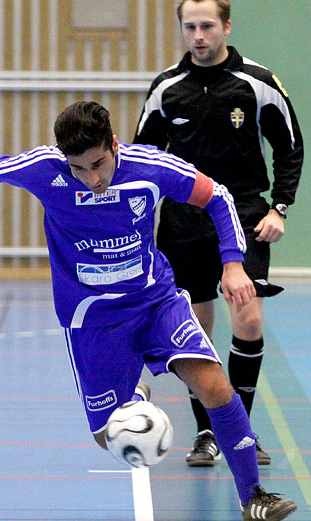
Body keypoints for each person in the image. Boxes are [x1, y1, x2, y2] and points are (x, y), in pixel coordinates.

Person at [0, 100, 297, 521]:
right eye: (79, 169)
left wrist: (232, 262)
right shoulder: (44, 169)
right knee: (107, 437)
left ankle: (254, 497)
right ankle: (134, 397)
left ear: (113, 144)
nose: (91, 178)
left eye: (99, 163)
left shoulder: (148, 166)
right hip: (91, 319)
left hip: (155, 300)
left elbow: (218, 197)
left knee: (215, 386)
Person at [133, 0, 303, 467]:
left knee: (248, 321)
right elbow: (142, 159)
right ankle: (209, 432)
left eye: (207, 25)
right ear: (182, 30)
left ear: (226, 25)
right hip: (184, 221)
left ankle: (240, 433)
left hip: (245, 214)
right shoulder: (166, 88)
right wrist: (140, 226)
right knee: (196, 328)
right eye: (190, 27)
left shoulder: (258, 83)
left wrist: (280, 208)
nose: (199, 35)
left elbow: (290, 147)